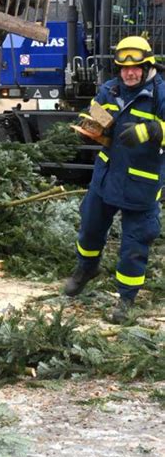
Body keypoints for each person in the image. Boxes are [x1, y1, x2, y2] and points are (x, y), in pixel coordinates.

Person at [64, 36, 164, 323]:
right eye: (123, 68)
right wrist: (90, 124)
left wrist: (151, 131)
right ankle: (86, 269)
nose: (129, 74)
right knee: (90, 227)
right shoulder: (111, 89)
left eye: (135, 69)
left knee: (135, 243)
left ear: (146, 67)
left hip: (141, 183)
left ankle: (126, 299)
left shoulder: (160, 94)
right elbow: (93, 111)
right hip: (106, 176)